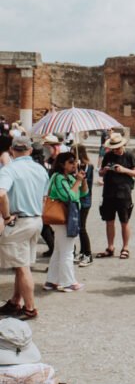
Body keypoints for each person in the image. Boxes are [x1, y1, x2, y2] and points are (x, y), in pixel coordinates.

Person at [0, 137, 49, 320]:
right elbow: (44, 198)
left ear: (12, 150)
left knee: (21, 267)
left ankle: (30, 308)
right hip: (36, 219)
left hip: (19, 220)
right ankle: (15, 301)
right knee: (23, 264)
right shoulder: (40, 170)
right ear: (29, 150)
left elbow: (1, 193)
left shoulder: (9, 170)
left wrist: (6, 217)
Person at [43, 152, 88, 293]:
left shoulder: (67, 178)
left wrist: (82, 180)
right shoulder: (59, 178)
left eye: (75, 161)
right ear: (62, 164)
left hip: (65, 218)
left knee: (58, 250)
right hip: (63, 218)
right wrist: (78, 181)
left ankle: (52, 281)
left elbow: (83, 193)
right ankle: (68, 282)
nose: (74, 164)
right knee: (68, 251)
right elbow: (70, 197)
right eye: (71, 162)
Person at [97, 133, 135, 261]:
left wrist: (123, 170)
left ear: (123, 145)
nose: (115, 150)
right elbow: (100, 173)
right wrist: (104, 171)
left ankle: (125, 247)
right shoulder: (108, 156)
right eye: (113, 148)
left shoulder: (129, 156)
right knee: (109, 221)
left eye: (117, 147)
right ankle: (110, 247)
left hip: (124, 193)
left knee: (124, 222)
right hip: (108, 193)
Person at [73, 145, 95, 267]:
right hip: (78, 198)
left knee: (82, 227)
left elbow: (84, 183)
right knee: (78, 226)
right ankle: (82, 252)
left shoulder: (87, 166)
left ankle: (88, 254)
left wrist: (78, 171)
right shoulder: (78, 165)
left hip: (85, 200)